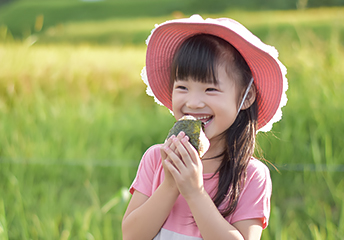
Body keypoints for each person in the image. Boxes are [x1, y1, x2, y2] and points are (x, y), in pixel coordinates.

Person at [122, 14, 288, 240]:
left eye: (210, 89)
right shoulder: (156, 159)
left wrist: (195, 192)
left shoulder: (250, 175)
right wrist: (170, 185)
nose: (192, 102)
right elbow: (131, 236)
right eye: (182, 87)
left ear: (246, 96)